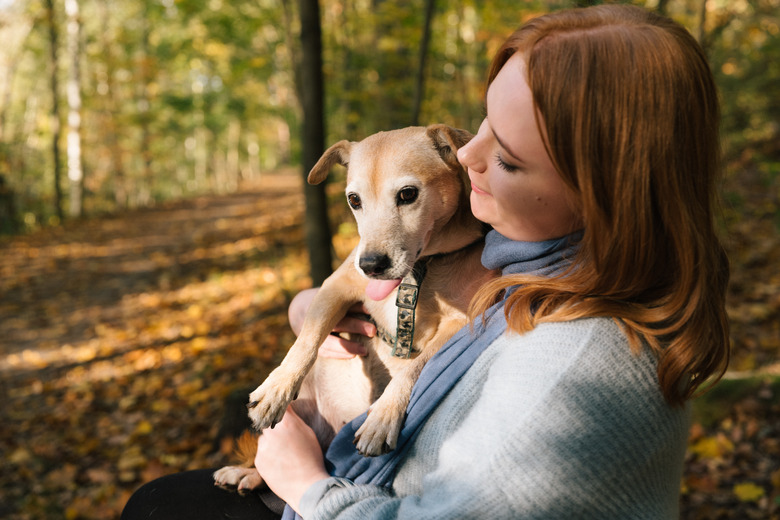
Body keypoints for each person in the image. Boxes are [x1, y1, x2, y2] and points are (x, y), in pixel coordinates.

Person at [121, 4, 730, 519]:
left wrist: (309, 486)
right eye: (484, 123)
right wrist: (322, 311)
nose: (464, 154)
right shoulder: (540, 270)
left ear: (606, 191)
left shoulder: (573, 376)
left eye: (509, 159)